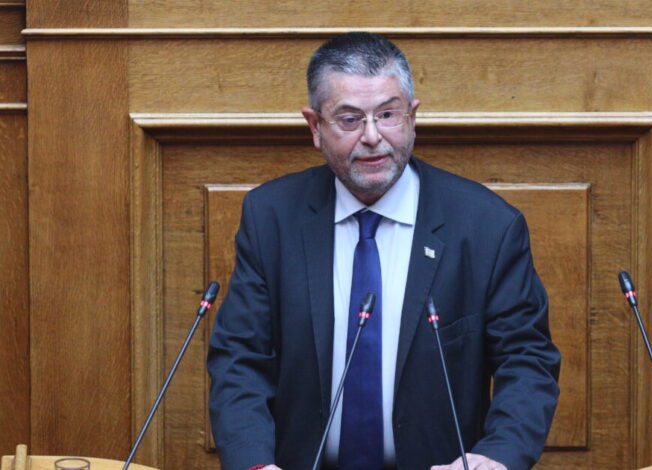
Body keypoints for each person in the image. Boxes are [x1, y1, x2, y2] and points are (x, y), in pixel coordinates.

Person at [207, 32, 560, 470]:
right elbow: (240, 360)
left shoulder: (487, 226)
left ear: (413, 117)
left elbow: (526, 361)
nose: (373, 137)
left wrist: (496, 457)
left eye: (388, 115)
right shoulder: (272, 217)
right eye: (350, 120)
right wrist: (255, 464)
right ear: (315, 127)